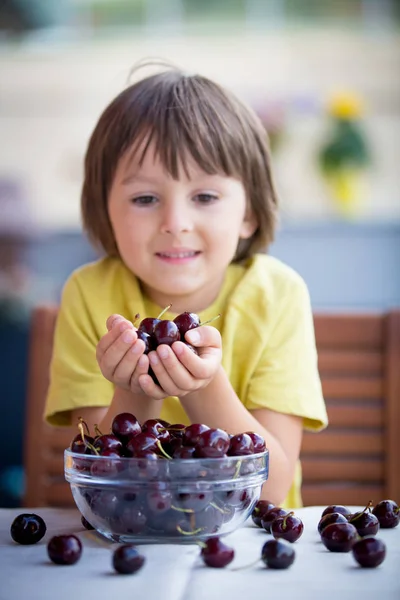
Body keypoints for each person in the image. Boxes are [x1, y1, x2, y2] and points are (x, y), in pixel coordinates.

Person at [44, 63, 328, 508]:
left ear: (248, 213)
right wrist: (134, 388)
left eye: (205, 197)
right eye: (144, 198)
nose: (175, 223)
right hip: (130, 537)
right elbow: (102, 481)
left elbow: (271, 489)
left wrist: (203, 385)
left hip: (248, 542)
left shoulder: (279, 295)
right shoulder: (89, 294)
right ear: (106, 211)